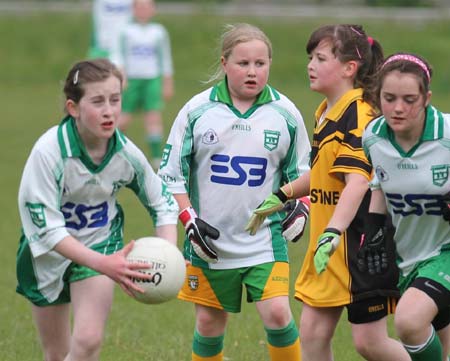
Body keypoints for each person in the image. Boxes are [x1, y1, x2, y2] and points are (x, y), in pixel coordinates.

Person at [247, 24, 411, 361]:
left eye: (320, 58)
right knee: (313, 333)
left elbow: (357, 182)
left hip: (359, 244)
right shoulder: (327, 112)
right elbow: (324, 175)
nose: (310, 64)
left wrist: (334, 231)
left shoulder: (360, 114)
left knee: (370, 342)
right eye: (310, 57)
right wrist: (283, 194)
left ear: (349, 68)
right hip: (330, 244)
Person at [158, 23, 311, 361]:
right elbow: (170, 175)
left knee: (278, 315)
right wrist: (189, 220)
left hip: (264, 242)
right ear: (225, 63)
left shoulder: (284, 114)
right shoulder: (198, 111)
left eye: (261, 63)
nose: (252, 71)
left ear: (270, 63)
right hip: (210, 243)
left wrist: (301, 206)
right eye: (243, 63)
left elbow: (304, 173)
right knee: (210, 324)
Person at [16, 58, 179, 361]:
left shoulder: (125, 153)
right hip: (46, 255)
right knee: (56, 353)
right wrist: (105, 265)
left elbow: (162, 201)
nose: (109, 110)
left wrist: (166, 253)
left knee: (88, 341)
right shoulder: (48, 152)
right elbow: (47, 231)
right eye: (98, 101)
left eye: (115, 100)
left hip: (100, 244)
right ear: (73, 108)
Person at [361, 52, 450, 361]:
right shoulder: (373, 137)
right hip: (409, 256)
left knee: (409, 322)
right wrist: (373, 229)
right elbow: (381, 183)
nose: (398, 108)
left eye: (409, 99)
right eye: (389, 98)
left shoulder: (447, 135)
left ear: (426, 98)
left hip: (445, 252)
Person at [115, 0, 174, 169]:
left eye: (147, 7)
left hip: (152, 79)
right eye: (139, 7)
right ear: (133, 9)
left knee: (153, 117)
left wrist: (167, 82)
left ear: (153, 9)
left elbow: (165, 58)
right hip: (131, 80)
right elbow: (119, 55)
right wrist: (122, 76)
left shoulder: (158, 32)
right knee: (123, 118)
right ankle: (114, 151)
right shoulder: (126, 31)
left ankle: (156, 157)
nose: (143, 10)